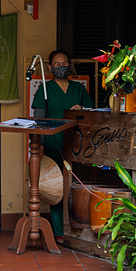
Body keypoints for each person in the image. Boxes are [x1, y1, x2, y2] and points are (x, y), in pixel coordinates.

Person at [31, 49, 93, 244]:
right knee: (55, 189)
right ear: (50, 68)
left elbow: (93, 112)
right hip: (52, 144)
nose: (60, 68)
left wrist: (82, 108)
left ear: (70, 66)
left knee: (76, 187)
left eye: (64, 64)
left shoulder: (79, 89)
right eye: (56, 65)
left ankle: (77, 229)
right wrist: (39, 146)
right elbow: (38, 121)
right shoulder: (45, 89)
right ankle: (59, 232)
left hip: (77, 145)